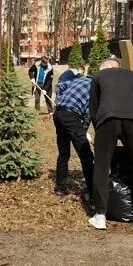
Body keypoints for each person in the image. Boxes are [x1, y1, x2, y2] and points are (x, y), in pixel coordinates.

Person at [88, 58, 133, 232]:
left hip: (107, 120)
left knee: (101, 168)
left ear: (105, 67)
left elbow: (93, 109)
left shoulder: (98, 77)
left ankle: (100, 216)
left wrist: (100, 131)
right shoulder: (132, 76)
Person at [52, 67, 94, 200]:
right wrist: (84, 131)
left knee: (64, 153)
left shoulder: (78, 80)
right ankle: (93, 191)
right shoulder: (95, 89)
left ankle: (60, 188)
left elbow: (59, 86)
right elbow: (89, 113)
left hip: (58, 113)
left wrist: (60, 101)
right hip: (71, 116)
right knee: (86, 154)